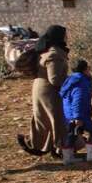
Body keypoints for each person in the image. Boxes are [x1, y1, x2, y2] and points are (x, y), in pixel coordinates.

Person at [16, 25, 69, 158]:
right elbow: (55, 79)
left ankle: (40, 145)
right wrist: (71, 83)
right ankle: (59, 149)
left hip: (40, 87)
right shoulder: (54, 54)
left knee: (44, 119)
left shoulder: (46, 50)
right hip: (49, 91)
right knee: (56, 119)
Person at [59, 59, 92, 165]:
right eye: (88, 68)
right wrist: (78, 117)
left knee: (71, 134)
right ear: (85, 69)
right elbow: (78, 100)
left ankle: (68, 157)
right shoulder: (81, 82)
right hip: (79, 115)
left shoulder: (70, 80)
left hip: (69, 114)